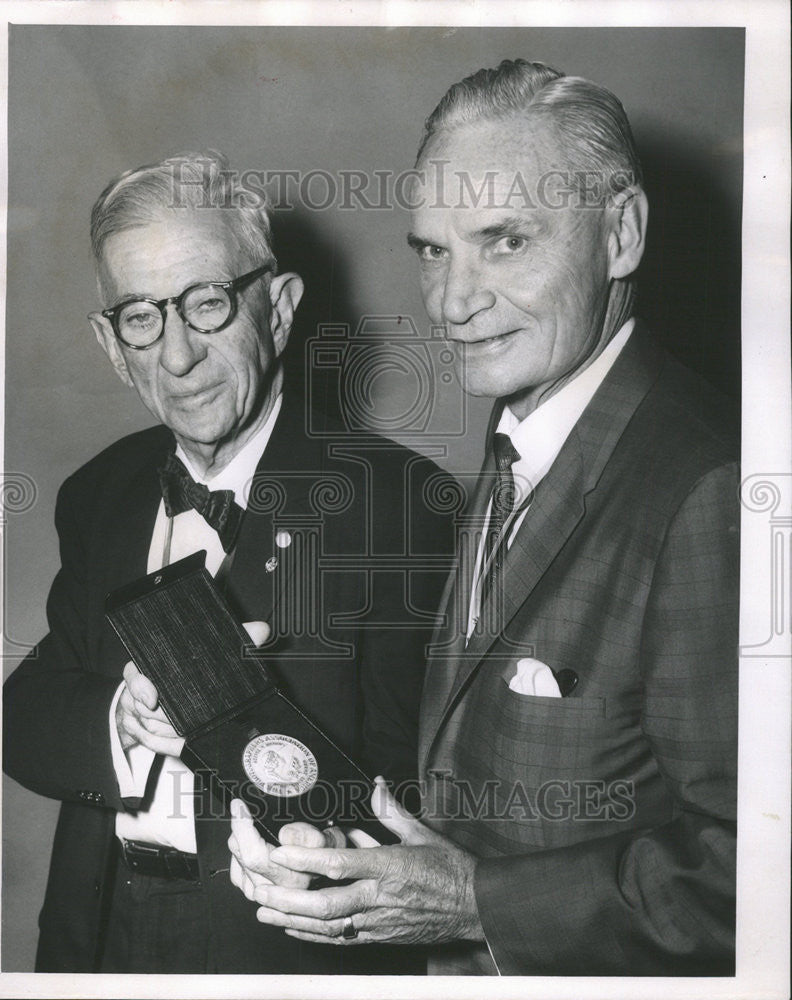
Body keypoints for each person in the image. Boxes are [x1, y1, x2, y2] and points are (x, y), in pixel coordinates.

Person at [229, 58, 739, 977]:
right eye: (433, 249)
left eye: (504, 241)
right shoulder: (520, 429)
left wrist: (474, 903)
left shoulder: (706, 489)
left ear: (621, 234)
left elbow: (760, 873)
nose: (453, 303)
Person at [2, 152, 454, 974]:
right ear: (111, 343)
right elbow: (25, 711)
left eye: (206, 304)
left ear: (277, 310)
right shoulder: (99, 494)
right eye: (141, 317)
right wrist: (123, 721)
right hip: (95, 939)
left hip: (278, 953)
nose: (176, 357)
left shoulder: (398, 507)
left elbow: (427, 795)